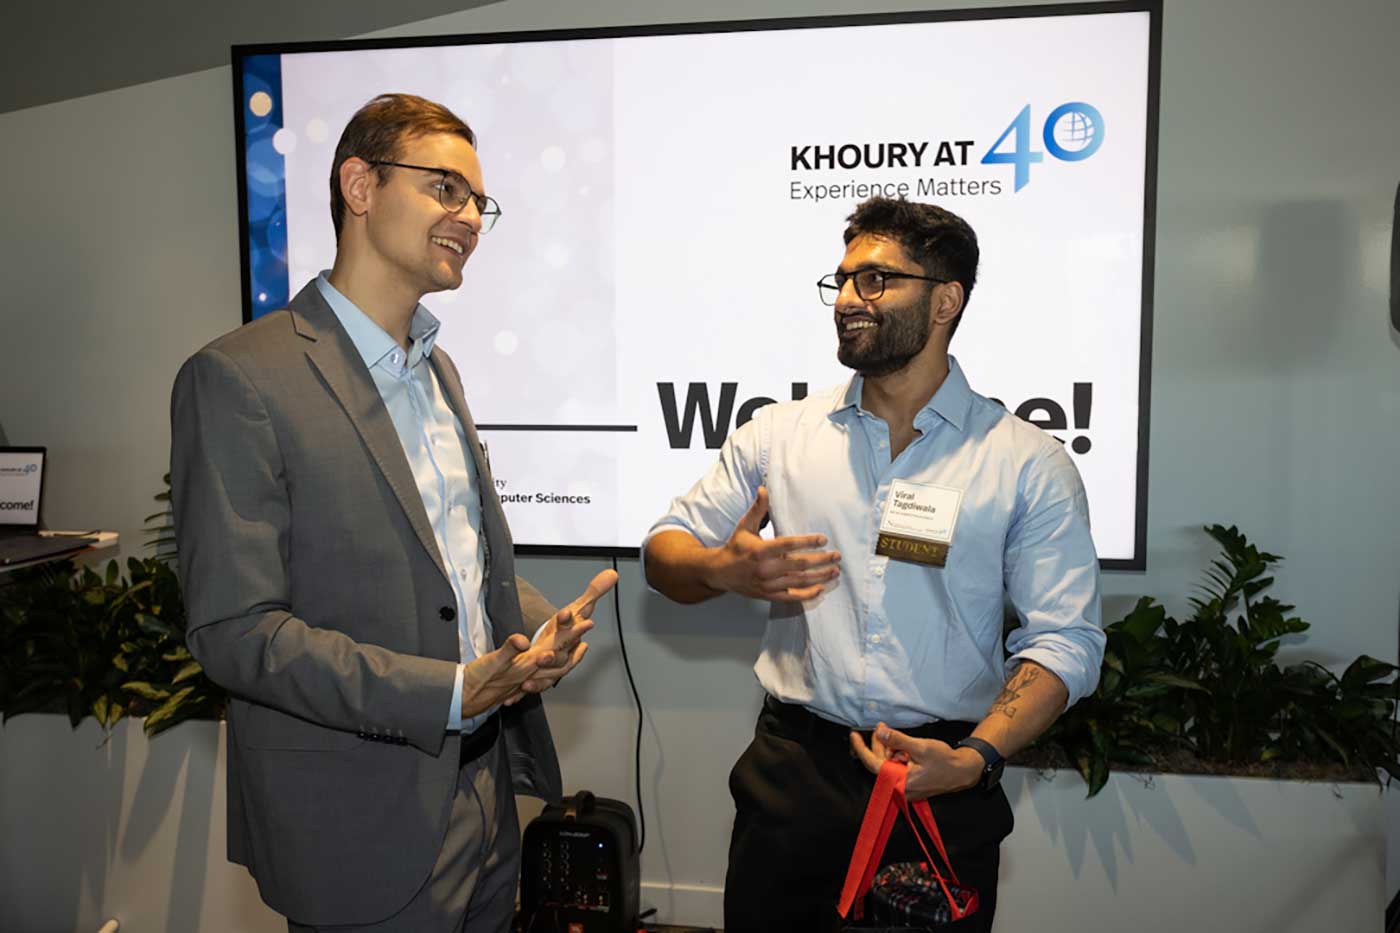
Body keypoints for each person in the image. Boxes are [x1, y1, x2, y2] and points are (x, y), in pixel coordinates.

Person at [171, 93, 616, 932]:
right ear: (359, 184)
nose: (470, 217)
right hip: (360, 823)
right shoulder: (239, 379)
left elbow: (452, 569)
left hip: (486, 799)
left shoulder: (438, 370)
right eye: (446, 188)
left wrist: (532, 632)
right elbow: (235, 632)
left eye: (478, 201)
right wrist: (448, 691)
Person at [643, 196, 1105, 932]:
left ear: (946, 300)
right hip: (794, 776)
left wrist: (975, 756)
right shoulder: (779, 435)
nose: (850, 300)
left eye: (877, 281)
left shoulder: (1026, 463)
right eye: (844, 281)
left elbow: (1066, 641)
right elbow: (664, 549)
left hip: (941, 780)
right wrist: (718, 570)